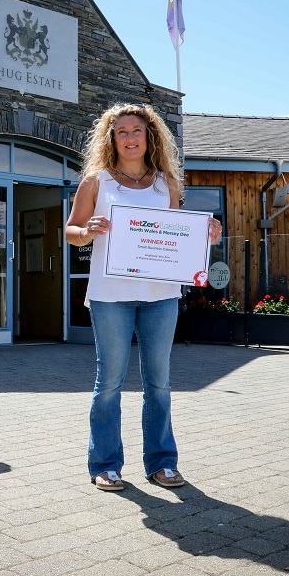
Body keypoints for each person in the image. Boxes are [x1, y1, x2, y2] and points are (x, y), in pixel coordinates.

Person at [65, 103, 222, 491]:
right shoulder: (96, 181)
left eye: (137, 130)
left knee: (159, 382)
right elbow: (70, 230)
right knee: (110, 382)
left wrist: (204, 237)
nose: (130, 138)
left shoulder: (166, 183)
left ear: (150, 137)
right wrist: (87, 232)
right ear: (111, 138)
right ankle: (104, 463)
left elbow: (174, 237)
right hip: (110, 294)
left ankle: (162, 463)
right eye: (122, 132)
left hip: (160, 295)